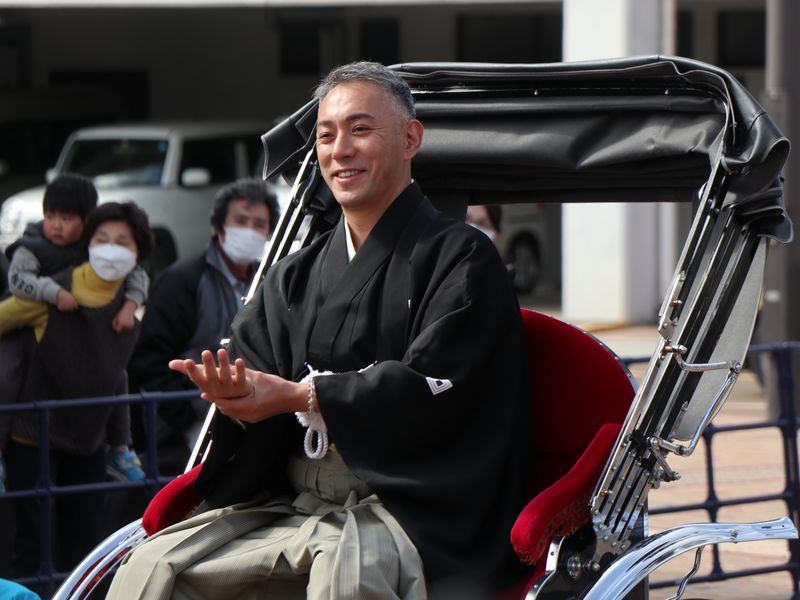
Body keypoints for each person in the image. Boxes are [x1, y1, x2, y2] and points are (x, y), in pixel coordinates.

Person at [108, 61, 533, 599]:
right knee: (151, 566)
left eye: (360, 129)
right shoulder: (296, 273)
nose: (340, 150)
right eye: (326, 136)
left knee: (346, 578)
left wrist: (303, 396)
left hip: (408, 509)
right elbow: (255, 364)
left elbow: (440, 385)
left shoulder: (462, 258)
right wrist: (237, 394)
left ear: (410, 138)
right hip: (290, 499)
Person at [1, 201, 154, 580]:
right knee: (32, 547)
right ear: (87, 243)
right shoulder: (53, 292)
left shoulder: (132, 301)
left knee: (85, 545)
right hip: (32, 437)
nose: (111, 248)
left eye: (122, 241)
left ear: (137, 254)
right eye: (102, 238)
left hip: (89, 440)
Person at [0, 173, 148, 486]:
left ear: (87, 221)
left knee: (116, 376)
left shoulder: (94, 249)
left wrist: (130, 304)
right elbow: (17, 281)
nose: (56, 225)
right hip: (23, 330)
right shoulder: (31, 246)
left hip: (78, 344)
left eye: (66, 218)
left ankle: (120, 448)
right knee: (7, 377)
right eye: (50, 216)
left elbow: (137, 274)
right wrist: (55, 293)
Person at [127, 178, 279, 472]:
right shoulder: (182, 281)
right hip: (190, 425)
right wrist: (186, 414)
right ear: (219, 225)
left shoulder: (270, 281)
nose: (249, 230)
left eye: (259, 224)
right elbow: (149, 360)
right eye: (241, 220)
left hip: (253, 413)